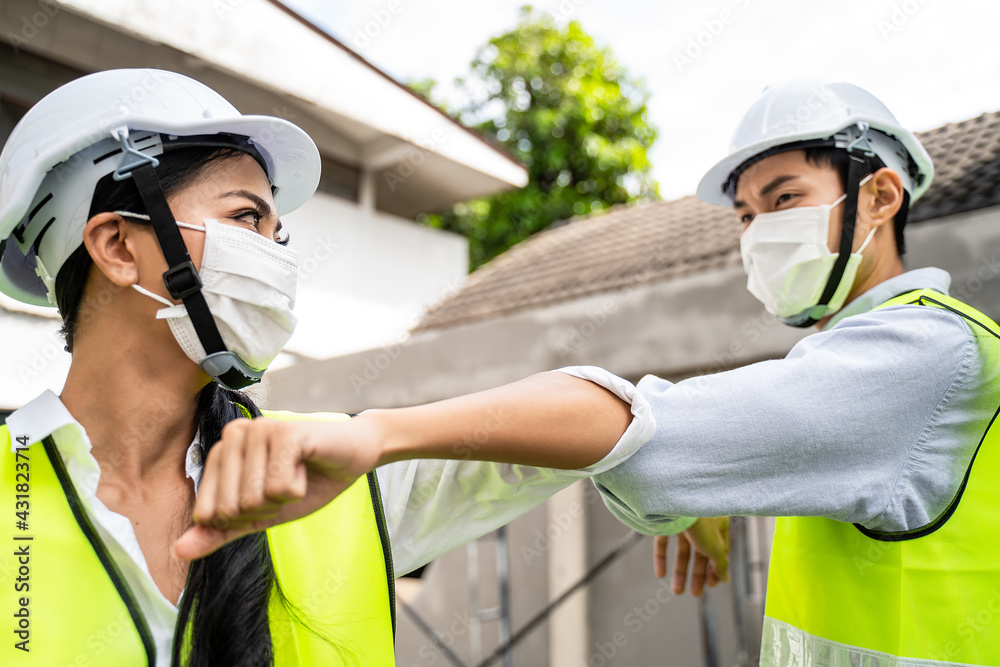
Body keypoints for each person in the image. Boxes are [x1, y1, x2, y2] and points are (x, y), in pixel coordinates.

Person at [195, 80, 999, 666]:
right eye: (748, 214)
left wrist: (377, 435)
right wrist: (710, 479)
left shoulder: (928, 356)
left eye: (786, 197)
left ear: (881, 195)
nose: (759, 232)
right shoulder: (847, 360)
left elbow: (646, 434)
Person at [0, 69, 716, 666]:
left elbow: (607, 415)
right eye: (248, 219)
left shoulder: (326, 468)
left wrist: (672, 477)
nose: (277, 255)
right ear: (118, 247)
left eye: (279, 232)